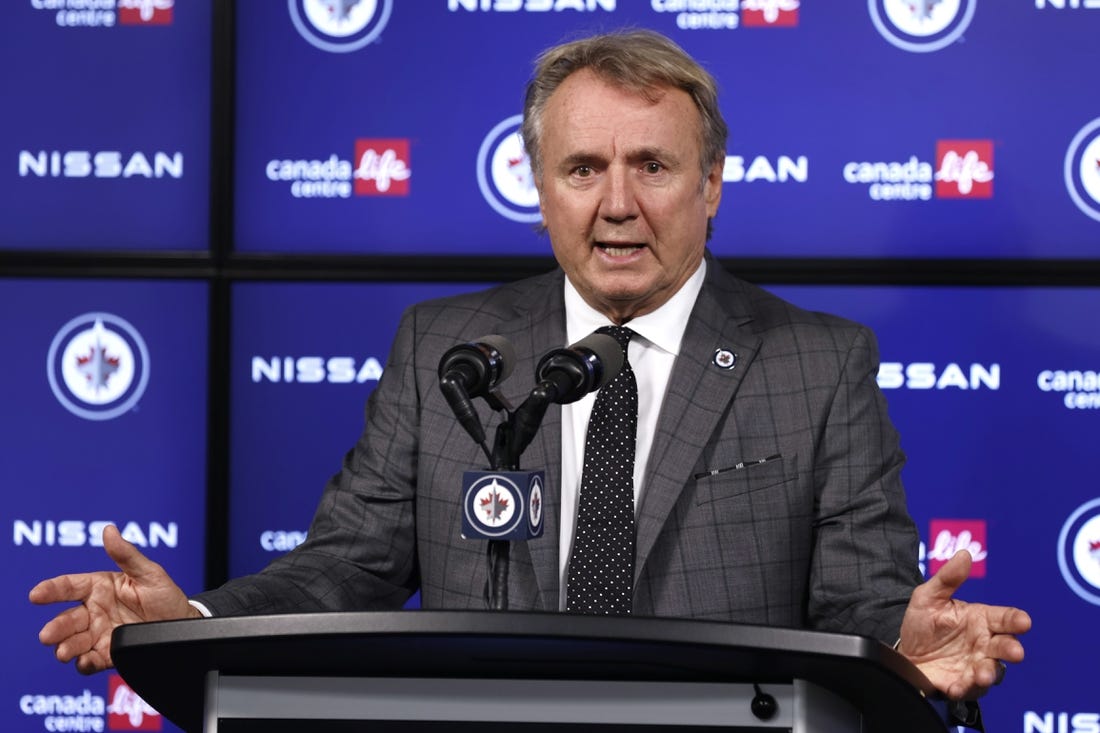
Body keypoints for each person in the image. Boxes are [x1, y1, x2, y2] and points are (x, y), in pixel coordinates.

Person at [31, 28, 1028, 714]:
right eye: (582, 169)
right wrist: (195, 620)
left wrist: (903, 641)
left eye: (654, 165)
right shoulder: (445, 347)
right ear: (538, 184)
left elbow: (854, 604)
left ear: (713, 186)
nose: (617, 203)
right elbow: (348, 565)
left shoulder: (816, 362)